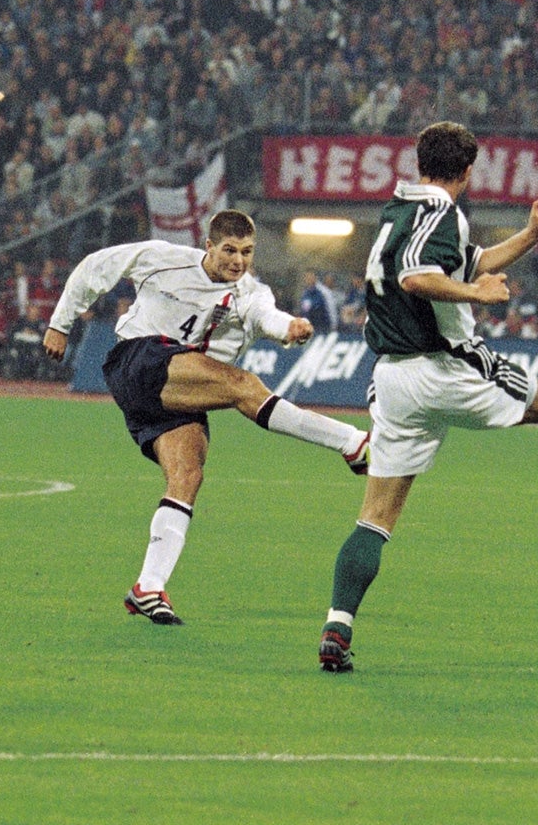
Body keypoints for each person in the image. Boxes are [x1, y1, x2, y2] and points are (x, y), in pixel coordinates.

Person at [316, 122, 538, 673]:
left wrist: (531, 236)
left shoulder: (399, 211)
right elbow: (418, 278)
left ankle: (338, 625)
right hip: (445, 364)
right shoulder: (441, 212)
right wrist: (473, 294)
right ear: (469, 169)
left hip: (393, 378)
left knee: (376, 517)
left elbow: (463, 262)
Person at [42, 211, 370, 627]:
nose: (238, 261)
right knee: (243, 386)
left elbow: (266, 317)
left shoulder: (250, 291)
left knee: (187, 476)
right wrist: (60, 323)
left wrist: (290, 327)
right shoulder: (163, 258)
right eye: (230, 250)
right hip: (138, 359)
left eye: (247, 252)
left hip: (177, 387)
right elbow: (95, 268)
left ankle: (148, 586)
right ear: (209, 247)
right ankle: (352, 442)